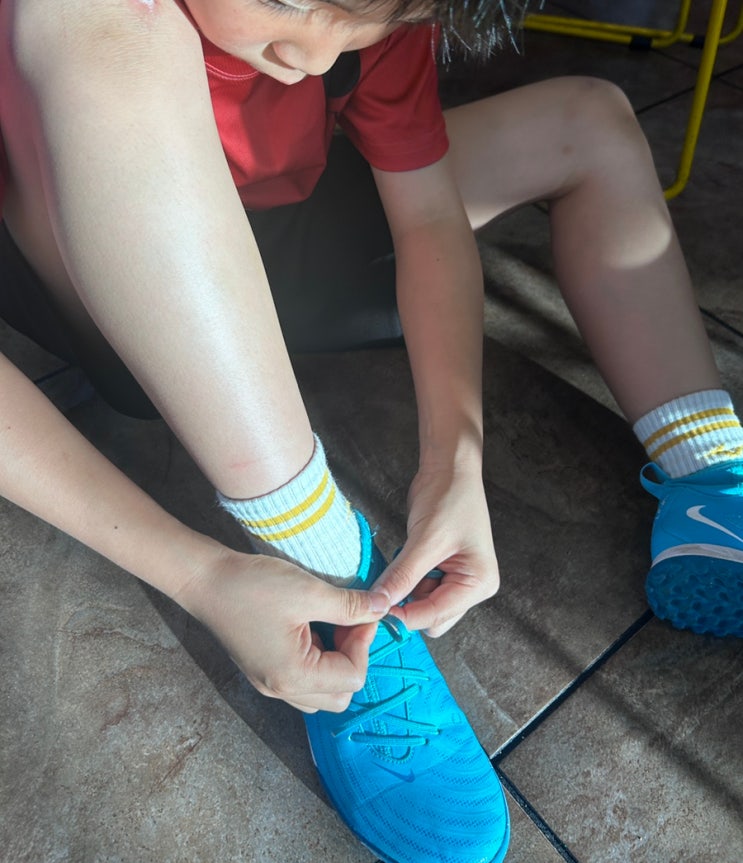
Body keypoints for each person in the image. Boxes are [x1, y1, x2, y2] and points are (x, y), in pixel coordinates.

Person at [1, 0, 742, 860]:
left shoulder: (366, 20)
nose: (315, 56)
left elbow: (426, 218)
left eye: (360, 21)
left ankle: (711, 476)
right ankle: (328, 571)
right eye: (286, 3)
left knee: (589, 119)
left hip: (282, 244)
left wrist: (453, 455)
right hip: (105, 295)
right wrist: (200, 575)